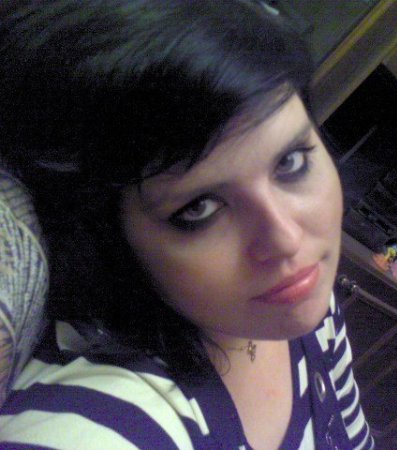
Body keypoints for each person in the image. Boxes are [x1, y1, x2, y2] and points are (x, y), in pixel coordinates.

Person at [0, 1, 375, 449]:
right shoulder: (101, 425)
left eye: (291, 163)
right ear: (109, 241)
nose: (287, 239)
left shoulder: (302, 298)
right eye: (199, 209)